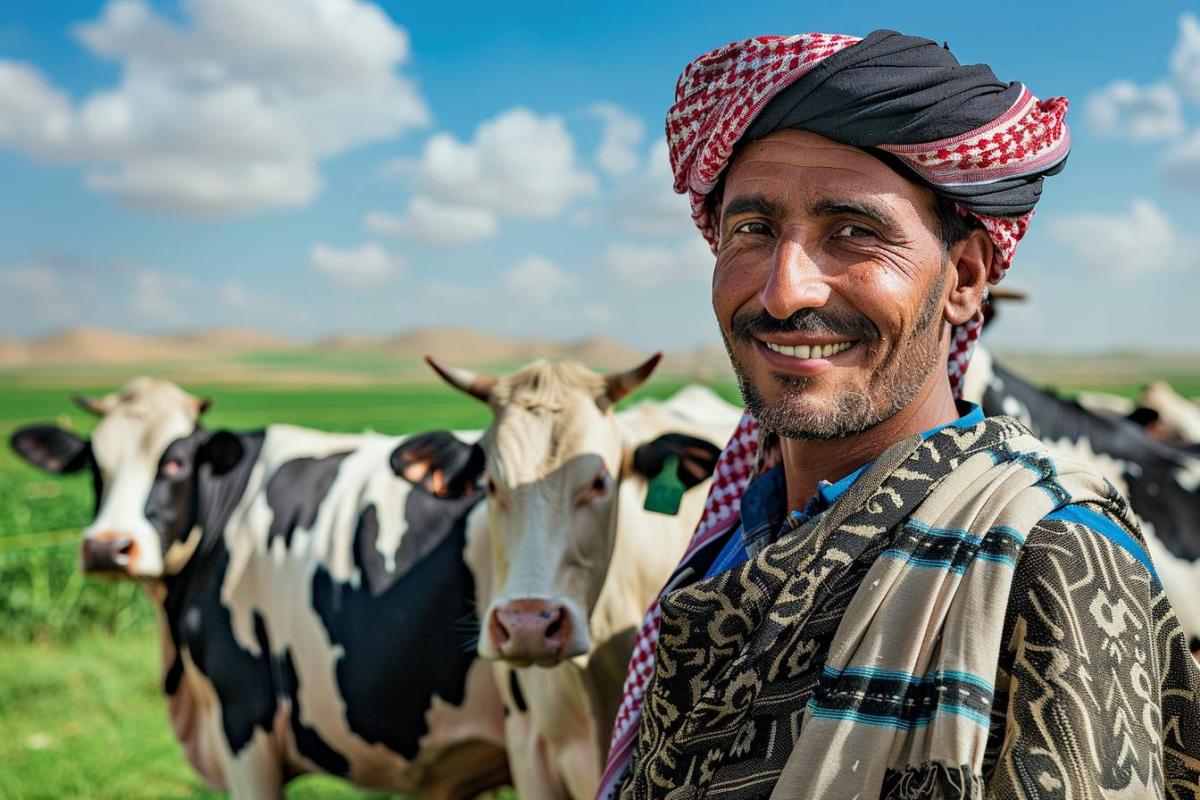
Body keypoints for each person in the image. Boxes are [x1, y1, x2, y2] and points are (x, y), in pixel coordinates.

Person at [599, 29, 1200, 800]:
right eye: (752, 230)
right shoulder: (727, 538)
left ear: (967, 278)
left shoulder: (1047, 562)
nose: (786, 292)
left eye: (853, 232)